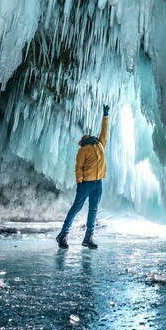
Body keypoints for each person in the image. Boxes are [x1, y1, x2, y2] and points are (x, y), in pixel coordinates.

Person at [56, 104, 110, 249]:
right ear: (84, 140)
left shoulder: (100, 144)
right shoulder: (83, 150)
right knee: (76, 208)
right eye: (86, 136)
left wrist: (105, 116)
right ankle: (63, 235)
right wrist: (79, 183)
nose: (89, 136)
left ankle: (88, 238)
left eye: (89, 135)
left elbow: (104, 132)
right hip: (86, 183)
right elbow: (78, 168)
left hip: (98, 184)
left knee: (93, 210)